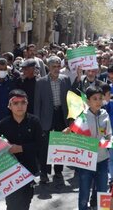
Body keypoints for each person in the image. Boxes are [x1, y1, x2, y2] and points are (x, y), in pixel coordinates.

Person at [64, 85, 113, 210]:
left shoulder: (105, 114)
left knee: (102, 192)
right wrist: (67, 132)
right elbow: (73, 135)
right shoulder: (81, 117)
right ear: (88, 101)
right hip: (85, 162)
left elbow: (108, 136)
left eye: (100, 98)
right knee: (84, 192)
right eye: (95, 99)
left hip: (102, 159)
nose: (98, 101)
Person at [0, 89, 43, 209]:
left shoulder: (34, 122)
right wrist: (2, 145)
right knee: (11, 204)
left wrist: (21, 148)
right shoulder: (2, 125)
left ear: (27, 104)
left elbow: (41, 144)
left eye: (23, 102)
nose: (20, 106)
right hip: (9, 172)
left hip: (28, 171)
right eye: (15, 103)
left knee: (25, 203)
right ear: (9, 106)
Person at [34, 55, 72, 183]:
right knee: (45, 147)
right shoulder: (41, 82)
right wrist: (37, 123)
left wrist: (70, 119)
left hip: (61, 116)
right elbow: (37, 104)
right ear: (48, 67)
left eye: (58, 66)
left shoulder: (65, 80)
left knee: (60, 145)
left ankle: (58, 171)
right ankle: (44, 173)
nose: (56, 69)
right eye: (53, 67)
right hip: (46, 118)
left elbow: (70, 101)